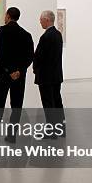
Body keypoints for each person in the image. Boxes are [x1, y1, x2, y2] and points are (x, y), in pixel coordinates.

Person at [0, 7, 34, 143]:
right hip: (19, 76)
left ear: (8, 16)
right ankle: (12, 135)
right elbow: (30, 56)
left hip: (3, 75)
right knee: (17, 106)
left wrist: (9, 70)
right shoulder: (26, 35)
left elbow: (2, 54)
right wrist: (18, 70)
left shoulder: (1, 31)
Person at [33, 10, 65, 138]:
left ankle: (51, 131)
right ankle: (60, 129)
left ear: (47, 20)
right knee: (57, 101)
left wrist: (35, 68)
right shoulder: (58, 34)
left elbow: (39, 56)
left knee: (48, 103)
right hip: (56, 75)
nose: (40, 21)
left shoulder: (46, 36)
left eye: (41, 19)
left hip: (46, 76)